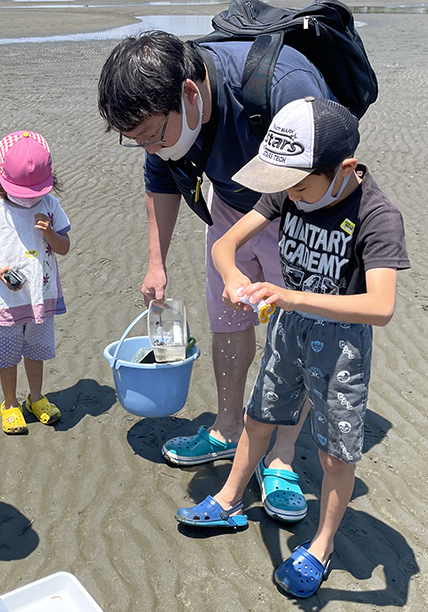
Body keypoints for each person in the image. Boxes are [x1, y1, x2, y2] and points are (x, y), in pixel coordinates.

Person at [97, 30, 335, 523]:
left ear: (189, 94)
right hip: (231, 203)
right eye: (135, 140)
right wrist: (156, 261)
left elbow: (329, 182)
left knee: (299, 333)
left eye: (152, 136)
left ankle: (283, 455)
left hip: (302, 213)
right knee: (226, 317)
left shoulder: (283, 88)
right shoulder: (162, 114)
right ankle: (227, 429)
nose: (150, 147)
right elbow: (161, 174)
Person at [177, 97, 409, 598]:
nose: (292, 197)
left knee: (334, 455)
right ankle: (229, 499)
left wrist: (291, 295)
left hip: (342, 350)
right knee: (258, 418)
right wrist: (234, 276)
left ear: (345, 169)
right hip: (288, 331)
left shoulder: (377, 216)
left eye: (302, 186)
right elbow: (224, 244)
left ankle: (322, 546)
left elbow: (381, 306)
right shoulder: (286, 192)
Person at [0, 131, 71, 435]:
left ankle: (36, 398)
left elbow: (64, 246)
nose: (29, 199)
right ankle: (10, 403)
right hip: (6, 300)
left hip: (40, 295)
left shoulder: (50, 204)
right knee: (7, 355)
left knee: (36, 351)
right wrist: (0, 272)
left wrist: (49, 233)